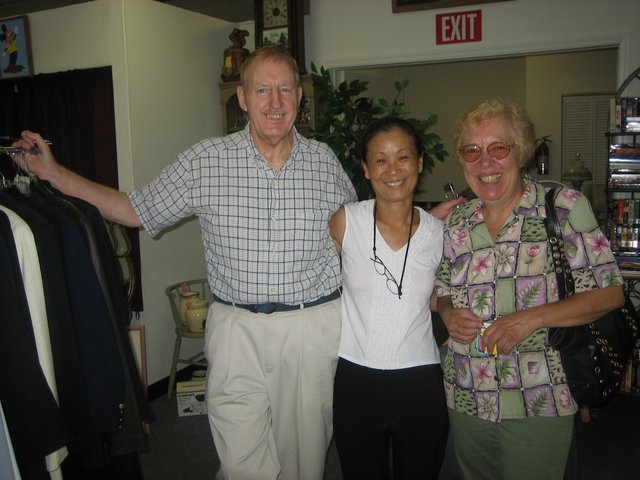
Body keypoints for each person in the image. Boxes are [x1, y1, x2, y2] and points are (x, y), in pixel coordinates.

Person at [13, 46, 358, 480]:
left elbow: (356, 238)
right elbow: (135, 209)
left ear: (300, 96)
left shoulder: (324, 162)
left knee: (303, 461)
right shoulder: (205, 160)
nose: (275, 102)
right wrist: (54, 174)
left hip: (309, 326)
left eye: (285, 89)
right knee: (240, 464)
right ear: (242, 97)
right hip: (235, 330)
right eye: (262, 90)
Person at [434, 98, 625, 480]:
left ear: (521, 152)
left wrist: (530, 319)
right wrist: (448, 312)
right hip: (467, 391)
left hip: (539, 395)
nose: (484, 162)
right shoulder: (457, 221)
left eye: (498, 148)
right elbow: (440, 291)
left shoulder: (563, 208)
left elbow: (610, 293)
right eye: (472, 151)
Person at [329, 116, 458, 479]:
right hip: (356, 379)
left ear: (419, 162)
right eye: (380, 160)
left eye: (403, 157)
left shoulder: (439, 233)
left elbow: (439, 292)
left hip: (420, 382)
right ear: (366, 169)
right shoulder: (345, 221)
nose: (393, 170)